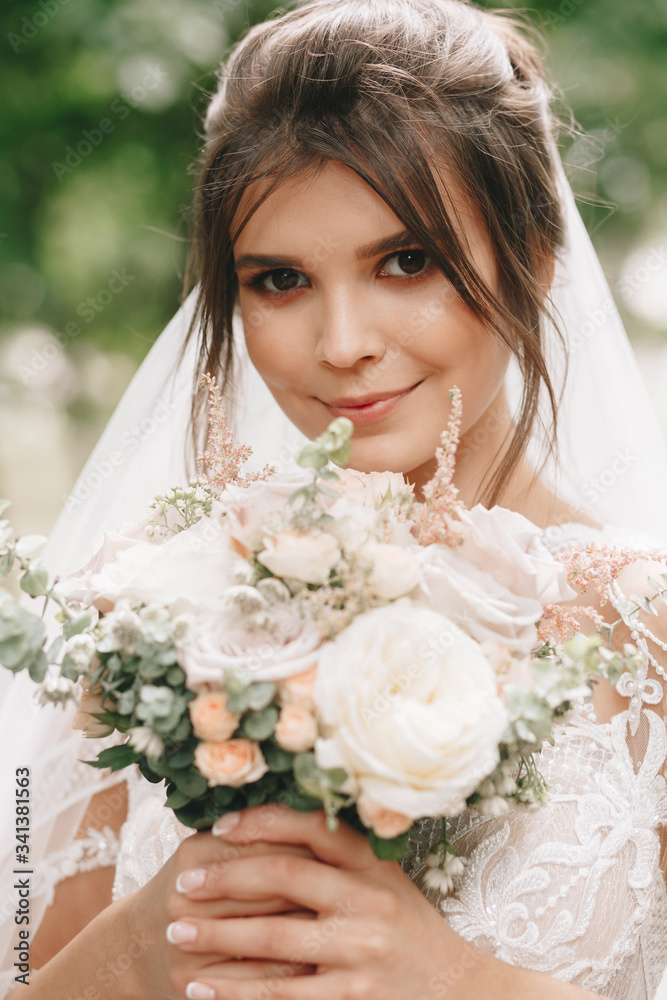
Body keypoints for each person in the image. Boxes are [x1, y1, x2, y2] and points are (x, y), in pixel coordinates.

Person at [1, 0, 666, 998]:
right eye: (279, 280)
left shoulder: (644, 635)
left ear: (532, 255)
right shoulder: (145, 604)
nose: (342, 342)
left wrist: (445, 978)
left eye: (407, 262)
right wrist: (144, 944)